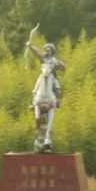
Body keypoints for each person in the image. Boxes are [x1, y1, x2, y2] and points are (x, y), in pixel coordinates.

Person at [25, 25, 65, 153]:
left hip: (52, 78)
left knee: (57, 87)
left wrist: (58, 66)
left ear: (52, 51)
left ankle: (57, 101)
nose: (46, 51)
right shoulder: (43, 58)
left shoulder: (54, 61)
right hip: (43, 75)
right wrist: (30, 46)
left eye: (48, 49)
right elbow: (37, 53)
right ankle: (33, 102)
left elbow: (63, 67)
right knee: (37, 85)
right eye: (46, 49)